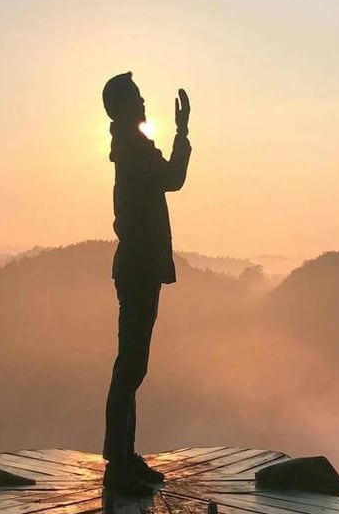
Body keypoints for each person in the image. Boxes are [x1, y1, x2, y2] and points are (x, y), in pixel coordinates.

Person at [101, 72, 192, 493]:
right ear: (122, 107)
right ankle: (118, 463)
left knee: (132, 365)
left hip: (137, 267)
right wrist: (182, 132)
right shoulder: (134, 149)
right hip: (139, 267)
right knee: (130, 367)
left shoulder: (129, 146)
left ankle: (125, 456)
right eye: (136, 98)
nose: (143, 103)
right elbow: (173, 178)